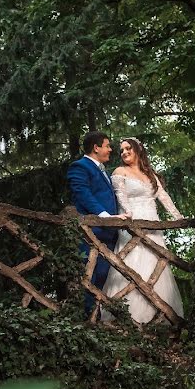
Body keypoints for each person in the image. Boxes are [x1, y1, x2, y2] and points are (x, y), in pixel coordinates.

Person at [100, 137, 185, 323]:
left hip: (153, 224)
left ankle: (159, 316)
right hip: (133, 222)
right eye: (121, 150)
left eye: (128, 148)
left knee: (156, 262)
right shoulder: (120, 171)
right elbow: (121, 196)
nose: (124, 153)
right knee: (133, 262)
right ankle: (129, 317)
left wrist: (178, 217)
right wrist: (129, 216)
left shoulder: (150, 175)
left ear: (138, 150)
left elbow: (163, 197)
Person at [67, 131, 130, 315]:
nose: (111, 150)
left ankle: (97, 318)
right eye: (108, 146)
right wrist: (105, 216)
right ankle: (88, 322)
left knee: (103, 278)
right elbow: (83, 193)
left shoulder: (103, 171)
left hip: (107, 234)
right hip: (91, 232)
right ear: (96, 148)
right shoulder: (80, 167)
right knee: (89, 276)